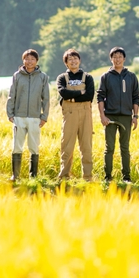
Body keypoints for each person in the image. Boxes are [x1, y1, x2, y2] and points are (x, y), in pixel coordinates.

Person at [96, 47, 139, 182]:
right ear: (111, 59)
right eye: (114, 56)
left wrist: (135, 116)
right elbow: (100, 97)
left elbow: (135, 97)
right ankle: (108, 177)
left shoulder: (131, 76)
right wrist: (102, 116)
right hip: (110, 117)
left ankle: (126, 177)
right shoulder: (106, 77)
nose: (117, 59)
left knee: (125, 148)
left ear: (124, 59)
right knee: (109, 147)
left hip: (126, 116)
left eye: (120, 56)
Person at [6, 49, 50, 180]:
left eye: (32, 59)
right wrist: (10, 113)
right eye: (27, 58)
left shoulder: (43, 77)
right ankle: (16, 175)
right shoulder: (17, 76)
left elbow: (46, 98)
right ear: (23, 60)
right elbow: (11, 95)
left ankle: (33, 176)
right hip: (19, 116)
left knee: (34, 146)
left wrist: (44, 116)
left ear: (37, 61)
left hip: (35, 117)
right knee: (17, 146)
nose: (29, 61)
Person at [56, 49, 96, 180]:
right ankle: (64, 175)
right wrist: (80, 93)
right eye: (70, 59)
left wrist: (72, 98)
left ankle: (88, 176)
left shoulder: (87, 77)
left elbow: (89, 95)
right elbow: (63, 93)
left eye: (75, 58)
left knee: (86, 146)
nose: (73, 61)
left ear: (79, 60)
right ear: (66, 63)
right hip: (69, 114)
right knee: (66, 145)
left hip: (85, 114)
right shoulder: (62, 78)